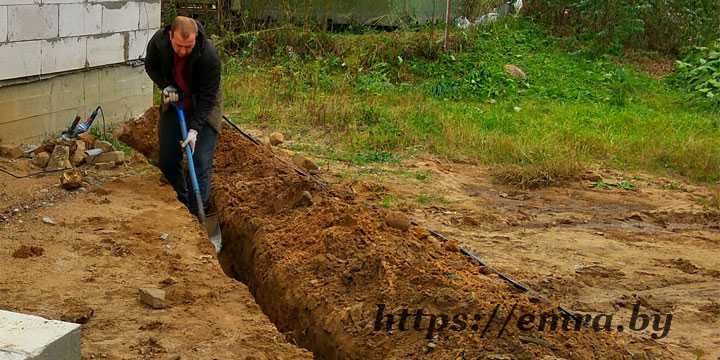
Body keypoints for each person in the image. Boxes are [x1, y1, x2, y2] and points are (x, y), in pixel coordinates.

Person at [144, 16, 223, 218]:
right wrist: (165, 85)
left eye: (189, 46)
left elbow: (208, 98)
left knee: (199, 162)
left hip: (204, 104)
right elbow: (150, 66)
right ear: (171, 36)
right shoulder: (159, 43)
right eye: (179, 46)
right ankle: (181, 206)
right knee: (168, 160)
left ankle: (199, 213)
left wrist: (195, 129)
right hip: (175, 100)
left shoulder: (208, 55)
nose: (183, 51)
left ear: (196, 38)